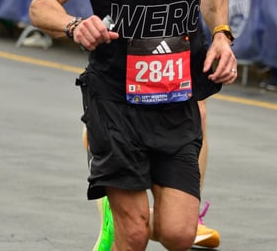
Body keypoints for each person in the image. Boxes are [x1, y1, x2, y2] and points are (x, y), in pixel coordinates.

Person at [30, 0, 237, 250]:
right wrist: (74, 25)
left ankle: (119, 210)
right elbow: (42, 4)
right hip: (116, 104)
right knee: (134, 235)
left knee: (179, 234)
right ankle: (122, 212)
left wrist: (221, 34)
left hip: (175, 100)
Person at [85, 99, 220, 250]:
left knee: (180, 231)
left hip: (170, 97)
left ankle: (120, 215)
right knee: (134, 233)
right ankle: (121, 213)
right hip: (117, 98)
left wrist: (222, 73)